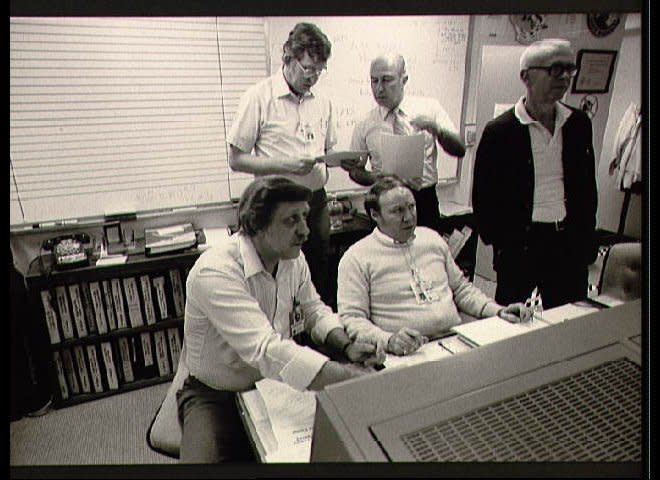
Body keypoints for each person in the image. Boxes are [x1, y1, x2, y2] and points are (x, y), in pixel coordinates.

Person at [177, 176, 383, 463]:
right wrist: (348, 377)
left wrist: (347, 346)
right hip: (215, 393)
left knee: (335, 449)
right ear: (256, 225)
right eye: (291, 221)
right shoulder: (215, 271)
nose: (305, 231)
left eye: (304, 217)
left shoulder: (292, 258)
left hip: (275, 384)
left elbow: (314, 310)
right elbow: (266, 348)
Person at [227, 22, 359, 306]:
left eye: (319, 70)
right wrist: (287, 165)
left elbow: (327, 148)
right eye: (307, 68)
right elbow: (236, 159)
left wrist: (340, 160)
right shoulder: (259, 97)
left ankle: (316, 343)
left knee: (317, 277)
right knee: (276, 280)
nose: (313, 77)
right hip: (275, 207)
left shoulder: (323, 102)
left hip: (316, 202)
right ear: (288, 56)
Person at [472, 38, 598, 310]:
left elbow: (587, 187)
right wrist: (502, 243)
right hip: (521, 245)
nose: (565, 77)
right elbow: (484, 197)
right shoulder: (500, 131)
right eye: (555, 69)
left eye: (569, 69)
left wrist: (586, 239)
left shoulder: (578, 124)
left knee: (566, 320)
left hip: (567, 243)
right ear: (526, 77)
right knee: (512, 320)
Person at [337, 174, 525, 356]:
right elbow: (353, 319)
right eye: (398, 211)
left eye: (412, 207)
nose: (409, 217)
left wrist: (498, 311)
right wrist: (389, 340)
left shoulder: (431, 239)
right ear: (375, 215)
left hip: (455, 339)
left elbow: (461, 289)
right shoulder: (356, 257)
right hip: (403, 352)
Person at [345, 53, 466, 235]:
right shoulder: (365, 122)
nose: (379, 88)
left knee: (425, 256)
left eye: (387, 80)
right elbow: (356, 171)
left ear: (404, 79)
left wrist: (438, 131)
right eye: (374, 81)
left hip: (423, 199)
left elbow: (460, 149)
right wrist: (376, 178)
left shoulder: (429, 108)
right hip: (384, 200)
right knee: (386, 260)